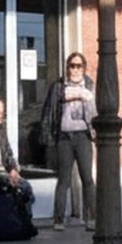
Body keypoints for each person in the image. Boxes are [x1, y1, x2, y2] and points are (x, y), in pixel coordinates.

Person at [41, 53, 95, 231]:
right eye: (72, 66)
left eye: (79, 66)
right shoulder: (59, 86)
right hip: (64, 136)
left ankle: (91, 218)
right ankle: (58, 219)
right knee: (63, 179)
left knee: (87, 178)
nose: (76, 70)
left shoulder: (90, 85)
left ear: (84, 68)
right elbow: (52, 106)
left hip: (83, 135)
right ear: (67, 68)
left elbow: (94, 106)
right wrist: (78, 95)